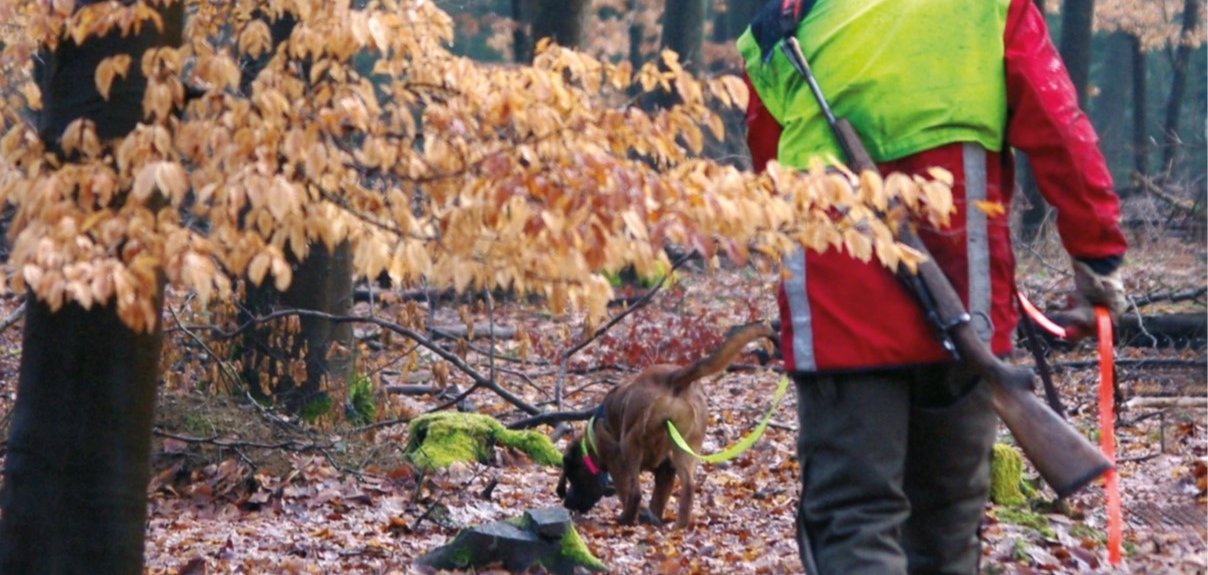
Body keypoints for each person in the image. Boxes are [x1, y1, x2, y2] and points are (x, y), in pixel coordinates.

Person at [737, 0, 1128, 573]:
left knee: (852, 520)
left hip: (836, 310)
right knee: (946, 529)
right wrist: (1098, 255)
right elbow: (1059, 126)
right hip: (964, 298)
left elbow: (766, 161)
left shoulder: (783, 20)